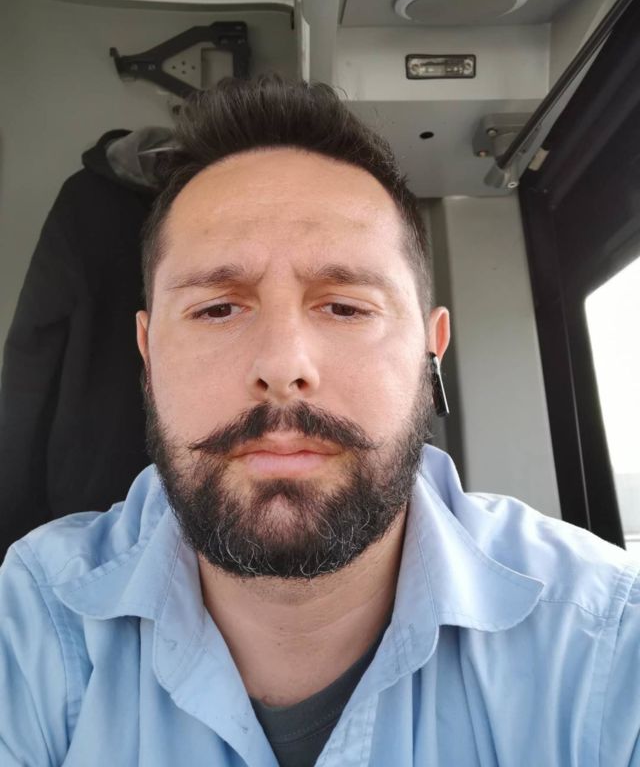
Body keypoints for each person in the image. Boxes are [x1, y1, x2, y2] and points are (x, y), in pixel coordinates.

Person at [0, 76, 638, 767]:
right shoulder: (31, 623)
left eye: (345, 307)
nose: (283, 365)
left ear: (431, 349)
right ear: (148, 354)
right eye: (218, 308)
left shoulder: (607, 643)